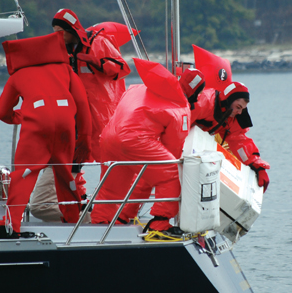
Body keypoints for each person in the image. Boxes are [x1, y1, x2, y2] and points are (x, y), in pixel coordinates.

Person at [29, 10, 134, 221]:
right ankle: (82, 201)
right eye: (54, 31)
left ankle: (118, 210)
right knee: (77, 157)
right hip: (78, 115)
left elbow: (122, 69)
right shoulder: (63, 50)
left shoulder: (99, 42)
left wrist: (95, 61)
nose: (57, 35)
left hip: (104, 114)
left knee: (110, 162)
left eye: (60, 31)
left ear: (71, 29)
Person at [0, 31, 91, 239]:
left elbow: (2, 112)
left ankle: (11, 226)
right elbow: (82, 105)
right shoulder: (66, 70)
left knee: (24, 176)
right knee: (64, 175)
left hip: (36, 127)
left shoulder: (17, 76)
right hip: (65, 125)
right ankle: (72, 221)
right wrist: (84, 140)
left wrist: (20, 116)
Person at [90, 59, 205, 233]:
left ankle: (101, 223)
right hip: (135, 140)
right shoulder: (181, 108)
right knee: (171, 174)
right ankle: (160, 223)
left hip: (109, 136)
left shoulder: (137, 87)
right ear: (196, 92)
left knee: (111, 186)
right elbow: (172, 150)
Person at [191, 45, 270, 191]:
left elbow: (240, 143)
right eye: (238, 107)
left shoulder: (231, 119)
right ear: (229, 99)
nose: (239, 113)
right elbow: (180, 120)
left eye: (242, 109)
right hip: (175, 141)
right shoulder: (204, 102)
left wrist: (259, 167)